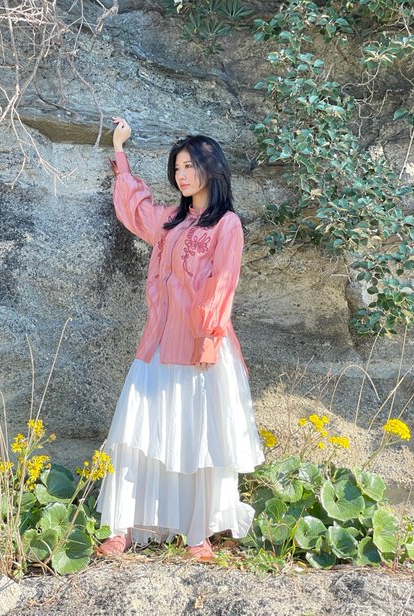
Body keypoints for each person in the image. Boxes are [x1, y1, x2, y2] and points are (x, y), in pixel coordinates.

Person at [95, 116, 264, 561]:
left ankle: (197, 534)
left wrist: (208, 337)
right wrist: (120, 152)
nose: (181, 175)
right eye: (177, 168)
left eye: (189, 166)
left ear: (212, 168)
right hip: (157, 342)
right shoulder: (171, 220)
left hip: (202, 345)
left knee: (199, 438)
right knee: (137, 432)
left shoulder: (227, 224)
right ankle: (123, 528)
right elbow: (136, 211)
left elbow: (223, 283)